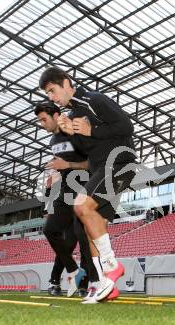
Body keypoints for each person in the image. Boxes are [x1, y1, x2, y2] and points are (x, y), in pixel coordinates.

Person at [40, 66, 137, 301]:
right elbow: (88, 148)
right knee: (91, 226)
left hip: (119, 163)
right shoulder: (71, 115)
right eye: (48, 94)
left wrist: (91, 128)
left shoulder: (94, 99)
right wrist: (71, 132)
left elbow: (127, 127)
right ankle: (104, 284)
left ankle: (111, 266)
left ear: (66, 82)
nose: (52, 98)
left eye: (52, 91)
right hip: (100, 167)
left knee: (81, 206)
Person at [34, 102, 98, 299]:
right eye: (39, 121)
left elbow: (93, 163)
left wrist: (68, 164)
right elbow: (61, 164)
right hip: (65, 191)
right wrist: (55, 172)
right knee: (50, 230)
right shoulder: (53, 141)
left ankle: (92, 283)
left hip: (86, 189)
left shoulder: (76, 131)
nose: (42, 124)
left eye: (44, 119)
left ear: (56, 115)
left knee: (82, 238)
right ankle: (74, 271)